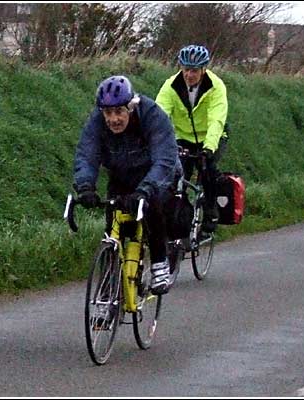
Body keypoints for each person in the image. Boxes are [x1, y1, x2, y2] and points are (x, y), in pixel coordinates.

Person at [74, 76, 181, 295]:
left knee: (153, 207)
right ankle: (106, 291)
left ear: (131, 107)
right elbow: (87, 154)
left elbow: (164, 159)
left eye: (119, 112)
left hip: (155, 172)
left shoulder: (152, 115)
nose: (113, 119)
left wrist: (146, 189)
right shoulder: (96, 122)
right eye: (108, 113)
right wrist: (85, 186)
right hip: (121, 174)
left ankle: (160, 264)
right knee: (112, 224)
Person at [156, 44, 228, 234]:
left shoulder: (216, 87)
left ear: (204, 70)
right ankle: (180, 213)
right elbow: (159, 116)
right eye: (185, 69)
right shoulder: (171, 86)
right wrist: (157, 142)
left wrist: (209, 148)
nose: (189, 75)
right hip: (183, 138)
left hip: (211, 136)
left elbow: (217, 120)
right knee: (177, 175)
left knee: (207, 169)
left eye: (194, 70)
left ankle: (211, 209)